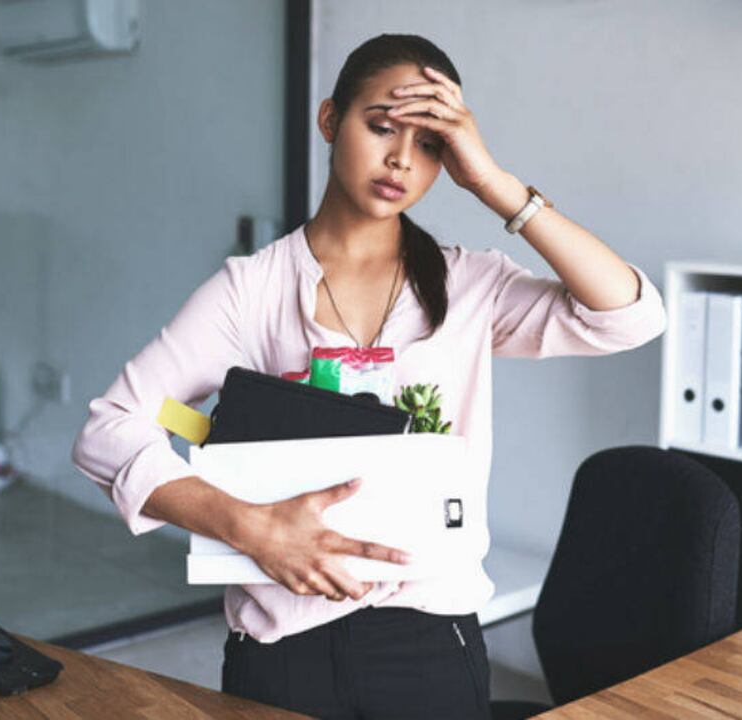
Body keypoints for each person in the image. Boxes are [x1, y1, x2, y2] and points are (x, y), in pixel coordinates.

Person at [72, 33, 666, 720]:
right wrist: (249, 526)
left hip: (431, 639)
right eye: (381, 127)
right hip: (283, 645)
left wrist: (496, 186)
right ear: (330, 120)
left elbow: (630, 317)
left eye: (431, 145)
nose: (401, 160)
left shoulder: (470, 285)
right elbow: (109, 427)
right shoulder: (250, 290)